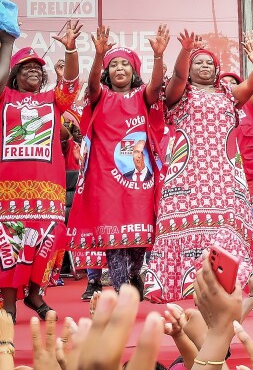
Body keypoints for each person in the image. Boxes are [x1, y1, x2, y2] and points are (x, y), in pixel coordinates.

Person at [144, 30, 253, 303]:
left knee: (229, 224)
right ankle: (183, 284)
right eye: (198, 63)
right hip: (189, 172)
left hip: (225, 172)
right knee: (184, 224)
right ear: (190, 70)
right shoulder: (179, 94)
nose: (204, 67)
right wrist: (184, 52)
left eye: (209, 63)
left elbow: (251, 88)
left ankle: (232, 281)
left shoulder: (228, 95)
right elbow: (178, 78)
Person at [68, 24, 169, 297]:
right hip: (105, 179)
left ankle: (134, 273)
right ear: (107, 71)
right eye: (114, 65)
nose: (120, 69)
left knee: (138, 240)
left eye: (126, 64)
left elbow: (157, 85)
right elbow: (90, 85)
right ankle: (122, 290)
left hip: (139, 181)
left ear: (134, 71)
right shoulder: (100, 97)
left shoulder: (141, 96)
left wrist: (158, 57)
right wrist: (99, 55)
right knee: (113, 238)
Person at [0, 19, 82, 324]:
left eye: (37, 68)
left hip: (47, 187)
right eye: (25, 68)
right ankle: (8, 304)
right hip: (7, 187)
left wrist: (71, 49)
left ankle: (35, 294)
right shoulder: (3, 98)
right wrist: (7, 41)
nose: (32, 70)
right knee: (8, 243)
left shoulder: (53, 100)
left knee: (46, 240)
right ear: (14, 75)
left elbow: (71, 84)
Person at [219, 72, 253, 197]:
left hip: (250, 178)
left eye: (234, 83)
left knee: (251, 215)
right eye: (224, 83)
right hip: (222, 178)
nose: (229, 85)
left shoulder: (249, 106)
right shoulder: (211, 110)